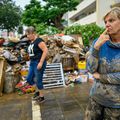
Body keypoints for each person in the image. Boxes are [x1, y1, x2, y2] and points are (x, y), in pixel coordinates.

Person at [84, 7, 120, 120]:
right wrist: (95, 48)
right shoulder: (99, 42)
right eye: (105, 22)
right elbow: (90, 68)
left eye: (111, 20)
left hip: (116, 104)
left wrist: (100, 76)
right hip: (95, 98)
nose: (107, 24)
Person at [25, 26, 48, 103]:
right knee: (29, 79)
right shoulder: (31, 42)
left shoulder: (39, 40)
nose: (27, 36)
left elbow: (45, 50)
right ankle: (38, 91)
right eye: (27, 34)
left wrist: (41, 62)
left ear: (33, 33)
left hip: (38, 62)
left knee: (38, 80)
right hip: (32, 63)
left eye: (28, 34)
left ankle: (42, 97)